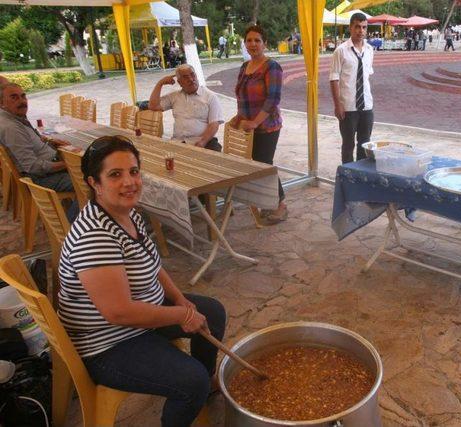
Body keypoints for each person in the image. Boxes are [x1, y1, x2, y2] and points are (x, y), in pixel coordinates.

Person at [57, 136, 226, 427]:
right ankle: (194, 390)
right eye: (115, 174)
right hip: (108, 342)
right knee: (191, 382)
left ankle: (205, 383)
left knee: (212, 312)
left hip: (137, 316)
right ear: (94, 183)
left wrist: (180, 300)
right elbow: (118, 312)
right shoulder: (94, 235)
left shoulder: (124, 211)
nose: (130, 182)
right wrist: (180, 314)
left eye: (134, 172)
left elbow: (152, 263)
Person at [233, 25, 288, 224]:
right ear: (245, 43)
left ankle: (280, 204)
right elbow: (242, 96)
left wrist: (255, 122)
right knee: (257, 164)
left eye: (257, 40)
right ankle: (269, 202)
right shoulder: (244, 67)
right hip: (249, 125)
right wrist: (238, 117)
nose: (253, 44)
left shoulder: (271, 66)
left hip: (267, 125)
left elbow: (273, 98)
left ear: (264, 43)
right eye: (249, 40)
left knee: (264, 164)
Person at [0, 83, 79, 220]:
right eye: (14, 97)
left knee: (89, 163)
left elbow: (31, 141)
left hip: (48, 165)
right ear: (1, 103)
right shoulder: (12, 128)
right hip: (41, 178)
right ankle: (71, 228)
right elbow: (33, 167)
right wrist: (66, 164)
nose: (22, 101)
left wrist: (48, 142)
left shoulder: (15, 117)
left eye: (23, 96)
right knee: (91, 183)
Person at [330, 13, 374, 164]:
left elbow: (367, 76)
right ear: (350, 28)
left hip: (367, 106)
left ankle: (360, 177)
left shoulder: (369, 50)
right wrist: (338, 105)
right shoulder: (340, 51)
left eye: (364, 27)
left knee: (365, 145)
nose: (360, 31)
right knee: (348, 145)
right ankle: (348, 177)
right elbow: (334, 79)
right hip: (348, 107)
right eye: (357, 27)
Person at [148, 64, 224, 151]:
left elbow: (214, 124)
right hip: (179, 142)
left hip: (203, 142)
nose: (191, 79)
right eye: (185, 77)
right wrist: (160, 83)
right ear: (179, 82)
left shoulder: (210, 96)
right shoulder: (174, 96)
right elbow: (153, 106)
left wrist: (202, 141)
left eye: (192, 75)